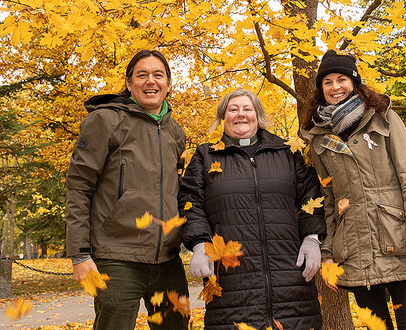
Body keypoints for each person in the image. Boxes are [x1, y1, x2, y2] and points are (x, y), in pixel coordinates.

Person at [299, 50, 406, 330]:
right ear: (320, 89)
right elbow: (328, 199)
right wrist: (327, 250)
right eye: (327, 82)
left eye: (342, 79)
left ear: (354, 83)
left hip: (396, 238)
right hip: (354, 247)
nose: (335, 87)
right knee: (376, 325)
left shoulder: (383, 118)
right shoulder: (317, 139)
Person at [179, 88, 327, 330]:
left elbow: (310, 195)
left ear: (258, 116)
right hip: (232, 283)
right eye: (233, 109)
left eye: (247, 109)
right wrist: (199, 244)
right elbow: (190, 202)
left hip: (290, 279)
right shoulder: (205, 155)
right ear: (222, 117)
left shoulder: (287, 151)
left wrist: (312, 238)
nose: (241, 115)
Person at [65, 49, 189, 330]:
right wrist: (80, 254)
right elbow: (79, 186)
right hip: (117, 258)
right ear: (129, 83)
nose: (150, 81)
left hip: (167, 260)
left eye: (158, 75)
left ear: (168, 84)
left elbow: (180, 193)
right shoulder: (105, 121)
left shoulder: (176, 133)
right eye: (141, 75)